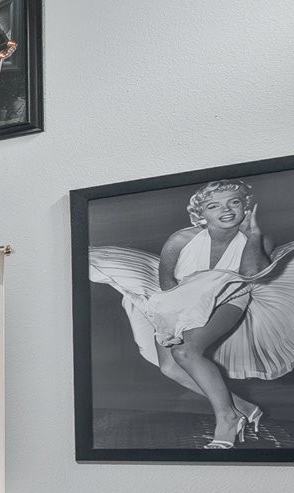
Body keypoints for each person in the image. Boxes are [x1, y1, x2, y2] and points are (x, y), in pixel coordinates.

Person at [89, 179, 294, 448]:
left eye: (234, 202)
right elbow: (166, 282)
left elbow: (253, 274)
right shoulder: (181, 239)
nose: (226, 210)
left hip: (231, 299)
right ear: (201, 212)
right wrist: (177, 319)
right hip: (178, 301)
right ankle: (244, 408)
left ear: (245, 206)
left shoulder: (258, 238)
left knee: (186, 353)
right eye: (214, 205)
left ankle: (228, 418)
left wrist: (252, 234)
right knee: (170, 367)